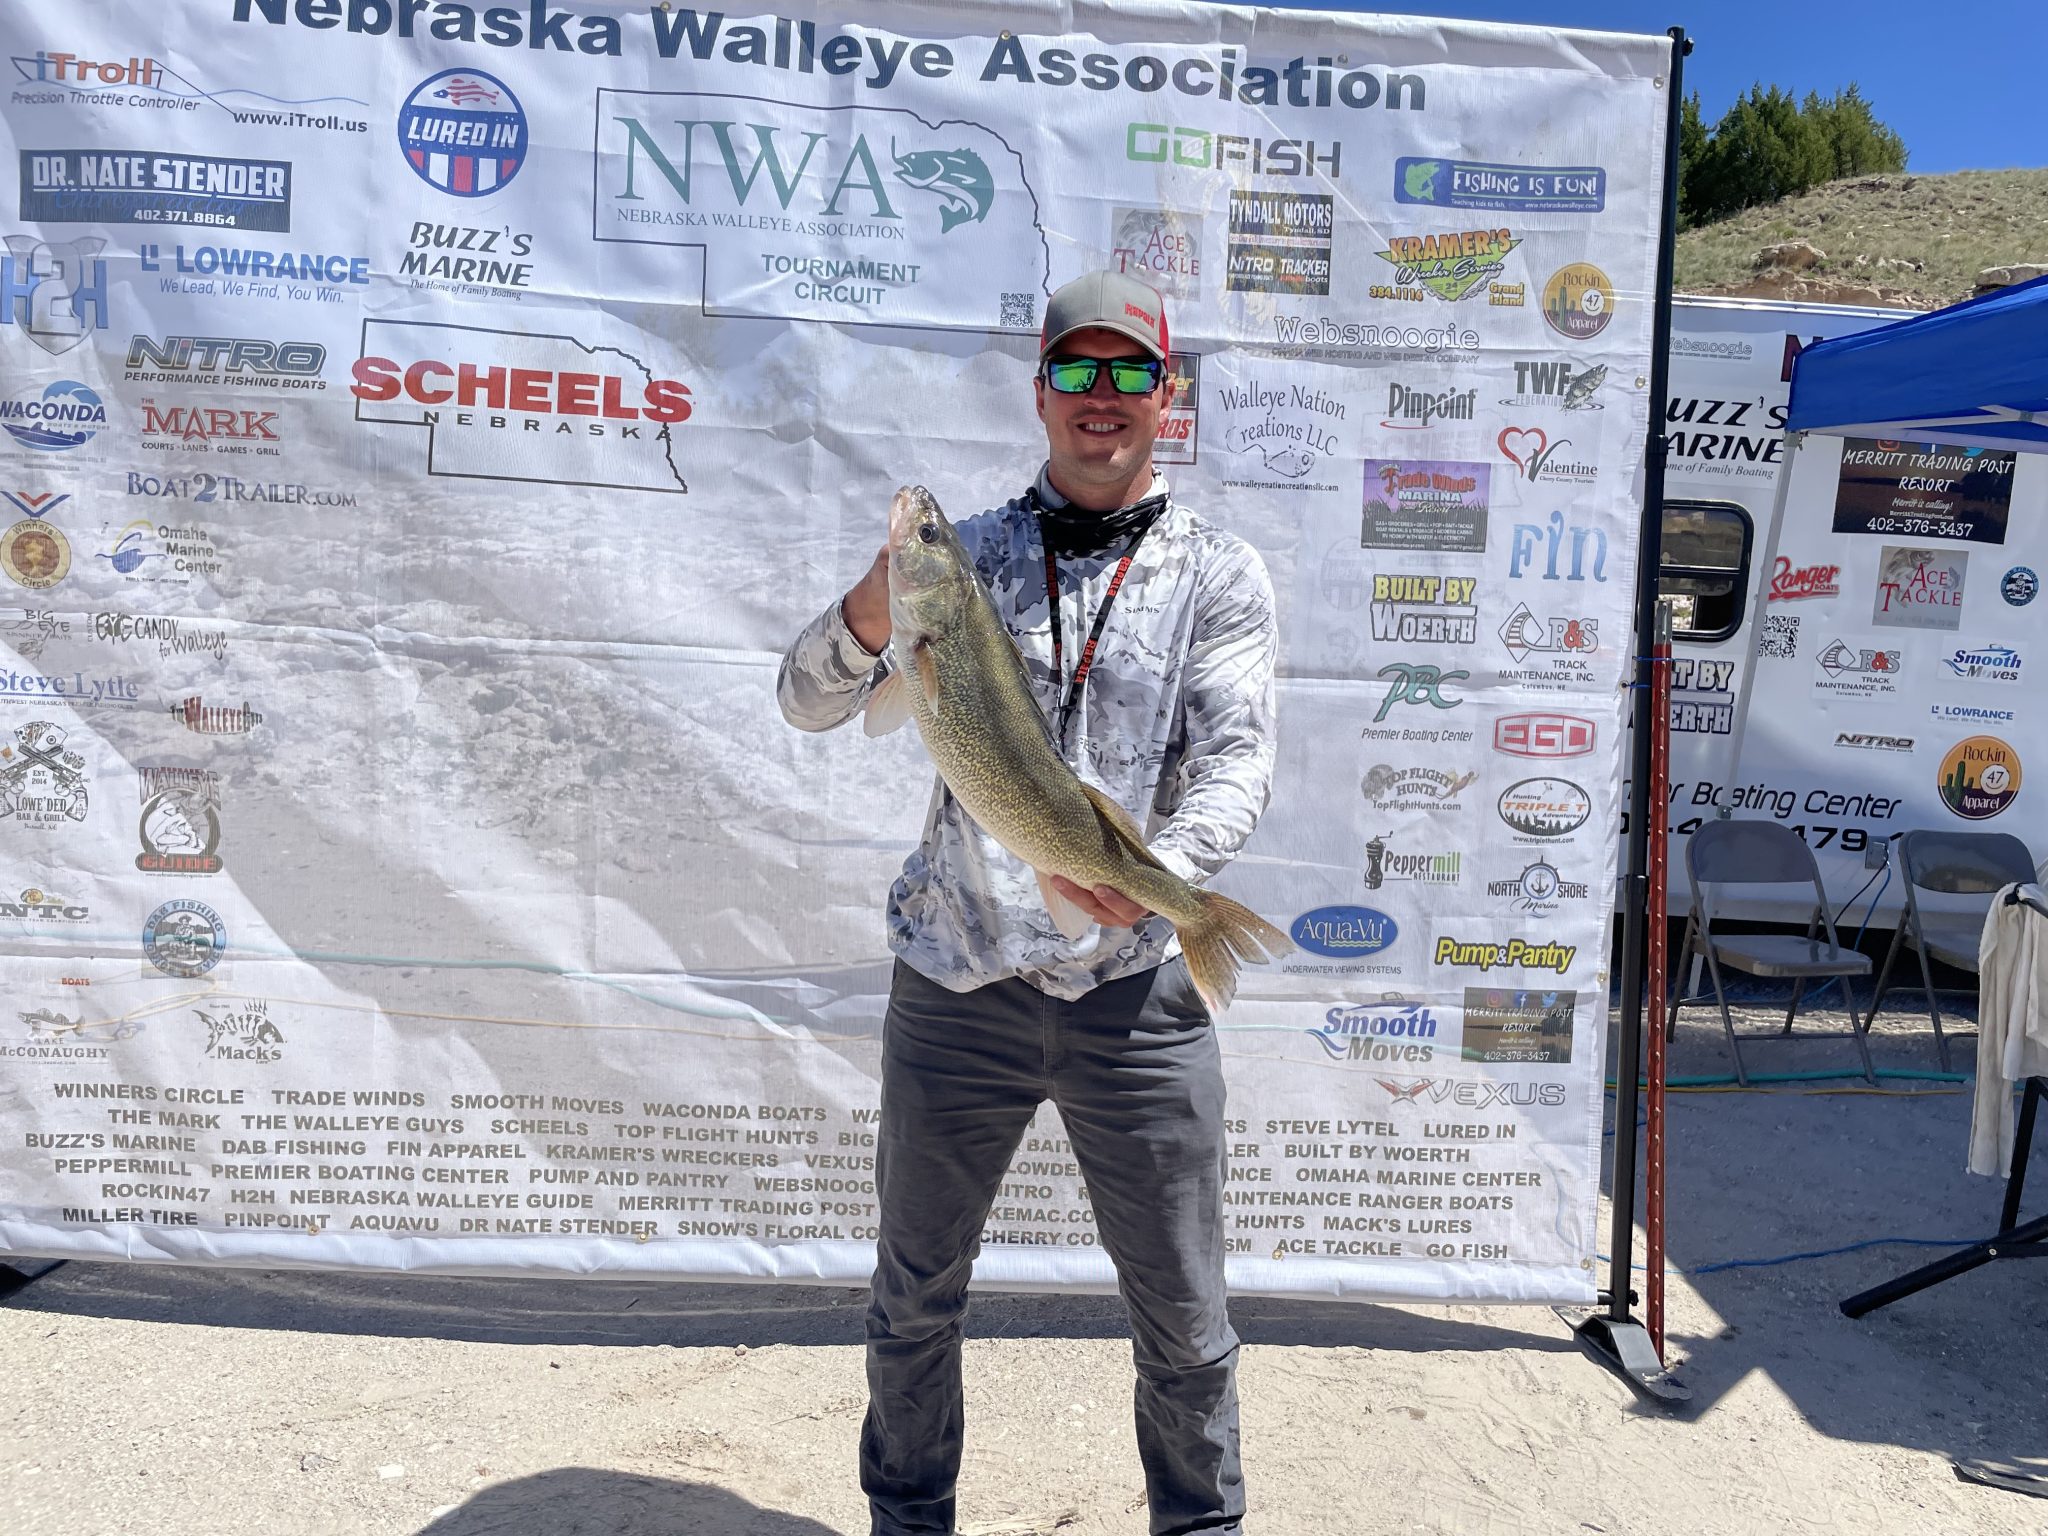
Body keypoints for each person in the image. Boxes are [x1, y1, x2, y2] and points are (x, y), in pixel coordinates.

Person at [776, 270, 1279, 1536]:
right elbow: (807, 701)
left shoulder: (1221, 573)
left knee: (1183, 1315)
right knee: (912, 1296)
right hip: (953, 989)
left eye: (1126, 374)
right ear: (1041, 390)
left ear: (1167, 395)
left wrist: (1150, 885)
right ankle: (907, 1519)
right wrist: (879, 600)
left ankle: (1198, 1525)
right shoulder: (968, 558)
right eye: (1074, 372)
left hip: (1137, 992)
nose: (1098, 400)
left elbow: (1236, 758)